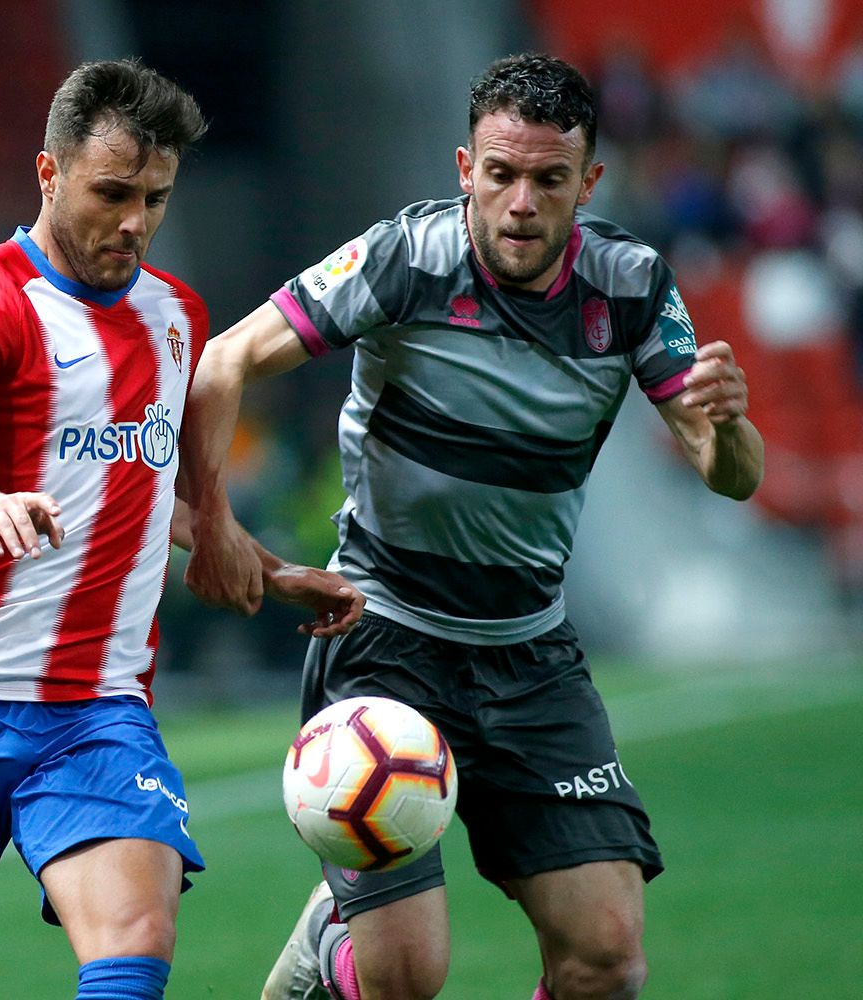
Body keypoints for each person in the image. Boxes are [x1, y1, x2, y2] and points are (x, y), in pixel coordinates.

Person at [183, 53, 764, 1000]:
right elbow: (220, 364)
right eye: (500, 175)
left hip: (530, 656)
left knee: (606, 962)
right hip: (384, 637)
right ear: (465, 170)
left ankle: (338, 935)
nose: (522, 203)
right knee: (407, 979)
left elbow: (726, 474)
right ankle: (332, 958)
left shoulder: (631, 287)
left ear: (590, 180)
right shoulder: (406, 260)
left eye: (547, 179)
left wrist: (731, 425)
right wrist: (214, 529)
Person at [0, 60, 364, 1000]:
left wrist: (262, 566)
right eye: (112, 193)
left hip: (98, 711)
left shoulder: (178, 316)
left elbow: (134, 492)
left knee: (134, 949)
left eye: (156, 197)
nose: (135, 221)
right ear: (50, 174)